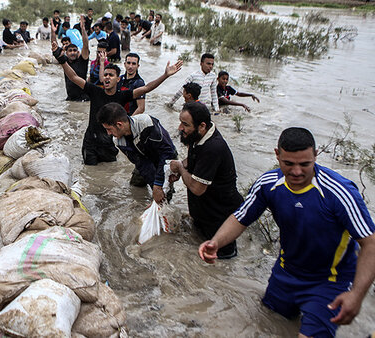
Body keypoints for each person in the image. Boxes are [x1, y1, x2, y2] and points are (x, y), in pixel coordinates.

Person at [199, 127, 375, 338]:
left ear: (315, 156)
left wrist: (356, 294)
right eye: (288, 163)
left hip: (329, 281)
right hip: (286, 272)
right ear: (277, 155)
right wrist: (216, 242)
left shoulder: (339, 192)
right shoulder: (269, 184)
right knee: (268, 321)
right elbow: (241, 217)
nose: (297, 172)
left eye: (305, 164)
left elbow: (370, 243)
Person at [55, 47, 182, 165]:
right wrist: (62, 60)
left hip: (109, 143)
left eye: (111, 75)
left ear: (117, 79)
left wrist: (165, 75)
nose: (107, 78)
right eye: (105, 75)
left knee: (110, 173)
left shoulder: (122, 95)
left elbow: (146, 88)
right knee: (90, 171)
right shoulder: (94, 91)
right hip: (91, 142)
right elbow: (73, 77)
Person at [169, 102, 242, 258]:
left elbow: (197, 188)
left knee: (220, 263)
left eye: (185, 124)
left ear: (202, 126)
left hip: (218, 219)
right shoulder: (197, 137)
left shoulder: (213, 148)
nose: (180, 128)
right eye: (180, 122)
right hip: (204, 214)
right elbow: (193, 159)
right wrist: (181, 165)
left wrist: (181, 170)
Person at [98, 103, 177, 202]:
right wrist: (154, 187)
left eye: (109, 129)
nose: (108, 133)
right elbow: (141, 163)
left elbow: (167, 154)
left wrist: (158, 185)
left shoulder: (147, 124)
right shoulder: (118, 140)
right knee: (136, 185)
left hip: (165, 157)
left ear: (119, 125)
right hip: (144, 156)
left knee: (165, 194)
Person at [51, 16, 89, 101]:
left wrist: (83, 30)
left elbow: (86, 46)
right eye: (70, 51)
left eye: (75, 50)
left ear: (78, 52)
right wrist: (53, 33)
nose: (72, 52)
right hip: (70, 98)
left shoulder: (83, 60)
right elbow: (55, 48)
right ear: (66, 53)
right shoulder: (65, 61)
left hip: (83, 99)